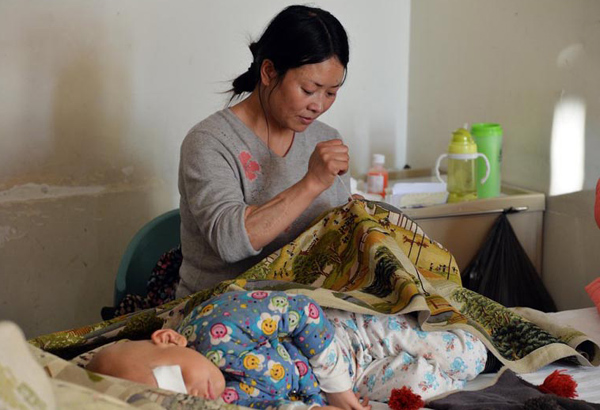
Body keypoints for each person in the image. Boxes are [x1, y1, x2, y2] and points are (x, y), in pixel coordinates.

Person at [177, 5, 353, 298]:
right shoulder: (210, 141)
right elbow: (230, 242)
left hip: (305, 310)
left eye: (331, 93)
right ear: (269, 72)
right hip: (219, 310)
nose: (319, 105)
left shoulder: (327, 139)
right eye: (309, 90)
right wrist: (312, 183)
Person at [87, 291, 488, 410]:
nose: (189, 395)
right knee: (425, 388)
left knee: (471, 356)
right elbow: (277, 405)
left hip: (349, 336)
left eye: (173, 378)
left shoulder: (216, 329)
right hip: (357, 380)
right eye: (172, 401)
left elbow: (303, 312)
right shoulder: (214, 401)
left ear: (170, 341)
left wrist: (335, 387)